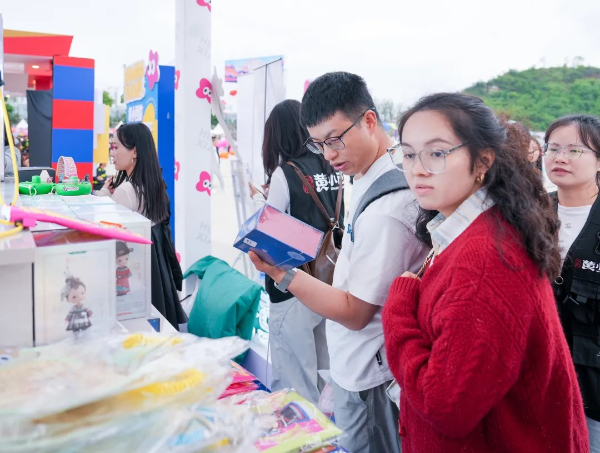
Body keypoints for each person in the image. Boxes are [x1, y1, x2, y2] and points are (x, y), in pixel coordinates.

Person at [382, 93, 588, 452]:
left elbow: (446, 407)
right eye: (409, 154)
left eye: (437, 153)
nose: (417, 169)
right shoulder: (472, 226)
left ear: (483, 160)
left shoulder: (485, 261)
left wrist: (397, 312)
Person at [249, 72, 428, 453]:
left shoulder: (386, 212)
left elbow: (355, 313)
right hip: (358, 361)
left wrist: (280, 272)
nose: (329, 155)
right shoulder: (368, 173)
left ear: (369, 121)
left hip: (368, 372)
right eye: (318, 144)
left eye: (334, 140)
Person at [248, 99, 343, 405]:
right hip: (328, 284)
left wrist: (257, 200)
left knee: (294, 381)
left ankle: (302, 431)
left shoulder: (285, 173)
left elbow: (268, 228)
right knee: (324, 376)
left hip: (292, 286)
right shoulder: (331, 166)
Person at [544, 114, 600, 452]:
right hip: (537, 380)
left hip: (592, 394)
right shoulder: (529, 213)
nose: (560, 157)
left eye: (575, 150)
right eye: (553, 148)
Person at [96, 123, 186, 330]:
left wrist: (104, 195)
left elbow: (105, 230)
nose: (112, 153)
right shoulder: (154, 185)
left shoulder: (126, 191)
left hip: (132, 277)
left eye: (116, 147)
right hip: (157, 274)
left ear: (134, 151)